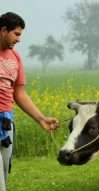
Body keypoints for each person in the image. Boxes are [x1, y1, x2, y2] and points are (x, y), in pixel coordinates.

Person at [0, 12, 59, 191]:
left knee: (3, 172)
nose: (19, 39)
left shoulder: (15, 58)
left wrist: (41, 118)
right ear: (3, 30)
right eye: (16, 34)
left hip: (5, 122)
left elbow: (20, 93)